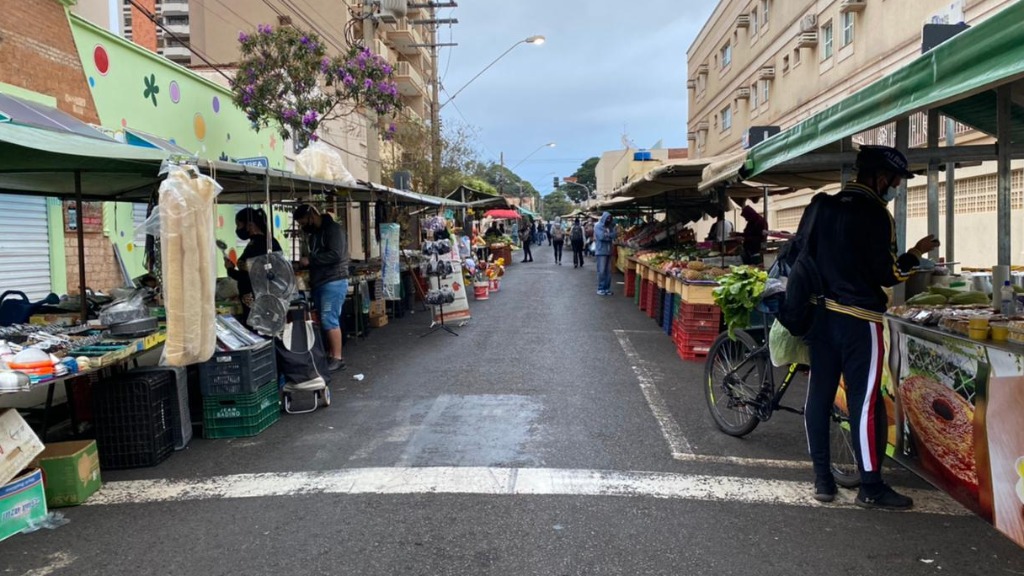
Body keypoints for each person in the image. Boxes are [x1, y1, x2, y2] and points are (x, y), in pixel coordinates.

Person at [800, 145, 940, 509]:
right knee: (864, 405)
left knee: (819, 396)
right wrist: (915, 254)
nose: (896, 188)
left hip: (820, 317)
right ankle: (871, 487)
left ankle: (822, 481)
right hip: (859, 322)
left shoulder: (823, 206)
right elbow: (888, 273)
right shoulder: (877, 215)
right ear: (881, 179)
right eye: (895, 181)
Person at [293, 204, 350, 372]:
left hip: (333, 280)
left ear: (312, 215)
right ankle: (332, 354)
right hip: (321, 281)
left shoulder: (333, 230)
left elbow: (336, 254)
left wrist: (311, 260)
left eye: (303, 222)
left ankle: (338, 358)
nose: (303, 226)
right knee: (327, 319)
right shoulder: (315, 234)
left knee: (328, 319)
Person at [225, 207, 283, 327]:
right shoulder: (253, 243)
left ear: (250, 224)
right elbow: (246, 274)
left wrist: (242, 268)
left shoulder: (268, 243)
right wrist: (231, 270)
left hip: (261, 298)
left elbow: (271, 270)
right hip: (250, 297)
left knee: (260, 329)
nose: (238, 229)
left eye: (239, 225)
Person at [594, 212, 617, 296]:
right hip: (601, 252)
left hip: (609, 251)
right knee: (602, 271)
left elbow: (615, 235)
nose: (609, 220)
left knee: (608, 271)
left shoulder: (610, 226)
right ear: (604, 218)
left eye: (610, 218)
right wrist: (609, 236)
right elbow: (601, 237)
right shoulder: (598, 226)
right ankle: (600, 288)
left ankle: (607, 288)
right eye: (607, 218)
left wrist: (608, 235)